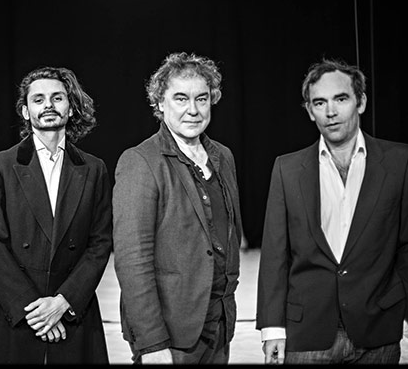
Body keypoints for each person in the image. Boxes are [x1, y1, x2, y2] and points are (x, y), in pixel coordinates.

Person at [256, 58, 408, 364]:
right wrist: (272, 328)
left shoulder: (399, 161)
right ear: (309, 111)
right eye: (319, 102)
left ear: (360, 102)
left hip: (377, 328)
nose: (330, 112)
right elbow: (275, 254)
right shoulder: (287, 169)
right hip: (307, 334)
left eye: (340, 99)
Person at [0, 66, 112, 364]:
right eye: (38, 99)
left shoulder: (94, 169)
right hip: (14, 310)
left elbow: (100, 243)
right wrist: (35, 312)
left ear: (70, 108)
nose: (48, 105)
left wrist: (62, 303)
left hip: (72, 309)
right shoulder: (0, 165)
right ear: (26, 111)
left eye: (57, 98)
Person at [113, 52, 243, 364]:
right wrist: (152, 343)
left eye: (202, 99)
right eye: (181, 98)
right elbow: (132, 261)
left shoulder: (223, 157)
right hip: (170, 335)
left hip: (219, 325)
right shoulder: (140, 161)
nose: (193, 110)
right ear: (160, 103)